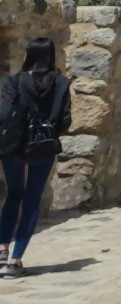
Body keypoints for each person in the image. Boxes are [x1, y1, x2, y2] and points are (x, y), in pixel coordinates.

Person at [0, 38, 70, 275]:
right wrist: (48, 131)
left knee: (13, 193)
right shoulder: (61, 83)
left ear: (28, 55)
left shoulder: (14, 82)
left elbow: (3, 114)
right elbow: (65, 120)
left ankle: (2, 247)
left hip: (14, 146)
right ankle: (15, 261)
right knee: (32, 200)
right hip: (43, 147)